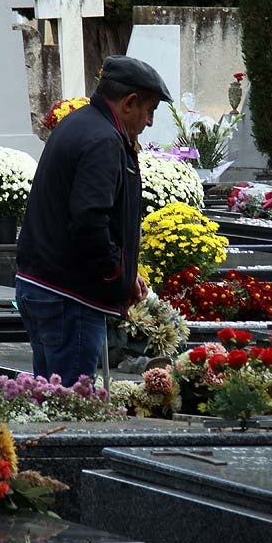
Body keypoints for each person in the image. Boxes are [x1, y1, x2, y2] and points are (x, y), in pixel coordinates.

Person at [14, 55, 171, 386]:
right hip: (70, 298)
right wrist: (116, 275)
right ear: (129, 102)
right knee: (70, 407)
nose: (149, 121)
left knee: (50, 397)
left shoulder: (82, 123)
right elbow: (89, 221)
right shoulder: (103, 140)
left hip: (46, 285)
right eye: (149, 110)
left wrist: (127, 274)